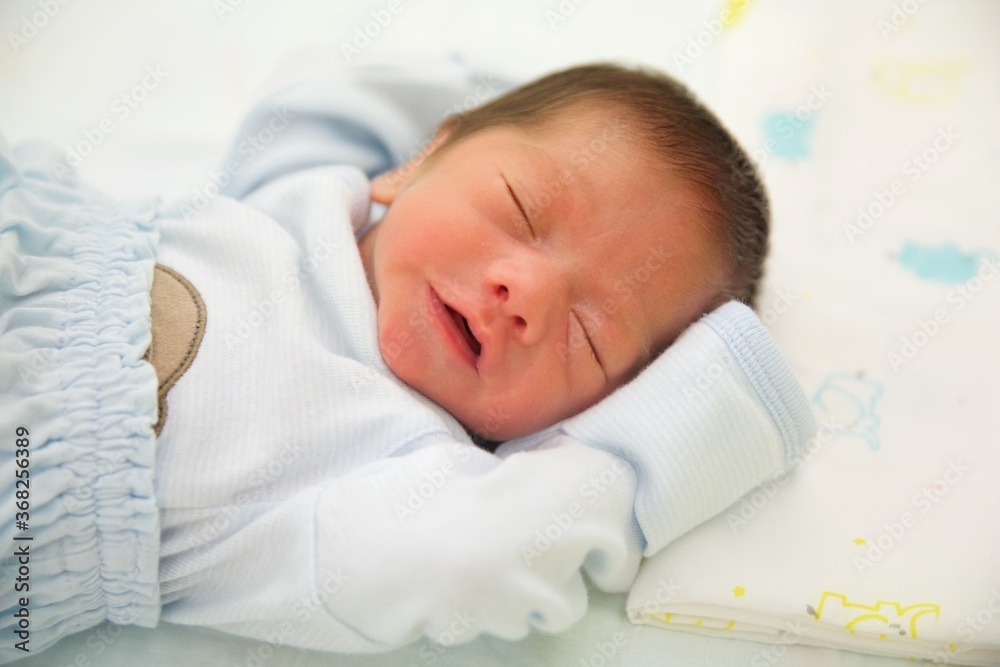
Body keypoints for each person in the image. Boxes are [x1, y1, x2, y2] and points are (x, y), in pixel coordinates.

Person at [0, 55, 813, 660]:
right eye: (522, 207)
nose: (522, 289)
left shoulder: (395, 466)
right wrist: (490, 105)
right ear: (418, 157)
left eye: (590, 334)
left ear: (584, 418)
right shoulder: (304, 192)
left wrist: (699, 413)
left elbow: (472, 557)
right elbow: (315, 96)